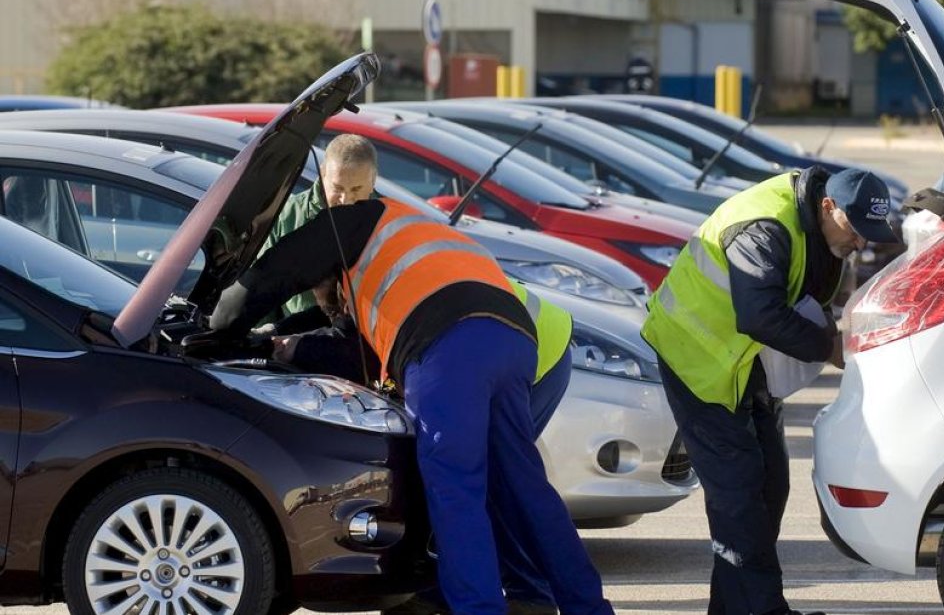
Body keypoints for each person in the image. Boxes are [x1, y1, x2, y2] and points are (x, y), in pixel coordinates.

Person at [207, 195, 612, 615]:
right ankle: (590, 607)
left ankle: (479, 608)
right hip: (515, 340)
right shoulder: (409, 232)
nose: (323, 301)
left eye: (321, 290)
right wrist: (277, 342)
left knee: (455, 489)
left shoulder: (350, 223)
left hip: (449, 346)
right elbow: (345, 340)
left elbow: (280, 268)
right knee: (525, 488)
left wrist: (220, 327)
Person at [640, 167, 898, 615]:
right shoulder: (764, 228)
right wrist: (829, 347)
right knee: (739, 491)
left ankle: (734, 608)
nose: (860, 243)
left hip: (742, 364)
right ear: (828, 206)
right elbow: (759, 314)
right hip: (695, 358)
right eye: (855, 230)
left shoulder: (814, 225)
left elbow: (806, 296)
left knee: (770, 485)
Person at [260, 133, 378, 318]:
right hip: (295, 339)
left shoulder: (386, 221)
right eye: (338, 188)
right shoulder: (288, 216)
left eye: (356, 189)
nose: (345, 200)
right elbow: (261, 290)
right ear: (323, 174)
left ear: (373, 181)